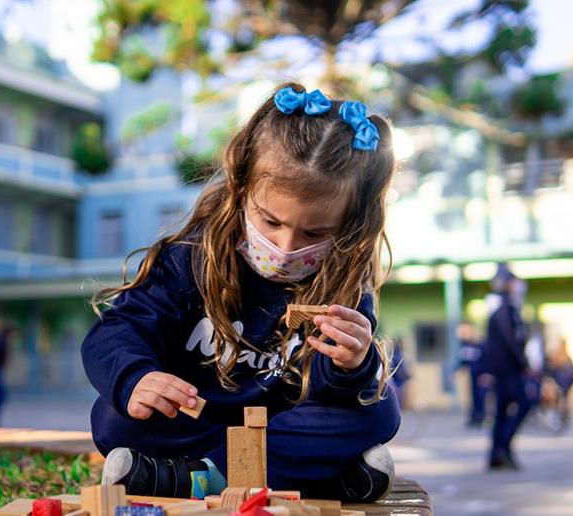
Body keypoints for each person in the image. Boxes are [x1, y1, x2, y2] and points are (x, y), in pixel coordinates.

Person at [82, 84, 400, 503]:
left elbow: (332, 394)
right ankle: (319, 479)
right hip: (196, 420)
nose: (286, 247)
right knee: (113, 417)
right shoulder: (189, 258)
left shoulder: (344, 283)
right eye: (270, 221)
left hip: (280, 427)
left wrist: (351, 366)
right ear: (240, 188)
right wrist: (137, 378)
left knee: (378, 411)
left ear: (349, 224)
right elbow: (118, 330)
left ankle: (197, 479)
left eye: (315, 233)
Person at [479, 269, 532, 470]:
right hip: (508, 371)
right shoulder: (504, 311)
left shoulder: (508, 309)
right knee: (524, 404)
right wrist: (524, 364)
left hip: (505, 370)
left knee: (501, 412)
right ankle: (502, 448)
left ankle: (497, 454)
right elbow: (511, 342)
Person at [457, 322, 487, 427]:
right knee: (474, 397)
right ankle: (474, 418)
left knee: (481, 397)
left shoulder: (479, 344)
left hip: (481, 375)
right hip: (473, 375)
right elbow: (464, 361)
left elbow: (485, 360)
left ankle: (481, 418)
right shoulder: (464, 345)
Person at [545, 337, 573, 430]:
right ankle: (560, 417)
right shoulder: (561, 356)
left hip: (563, 383)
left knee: (562, 400)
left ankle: (561, 417)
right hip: (561, 382)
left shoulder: (563, 356)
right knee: (561, 400)